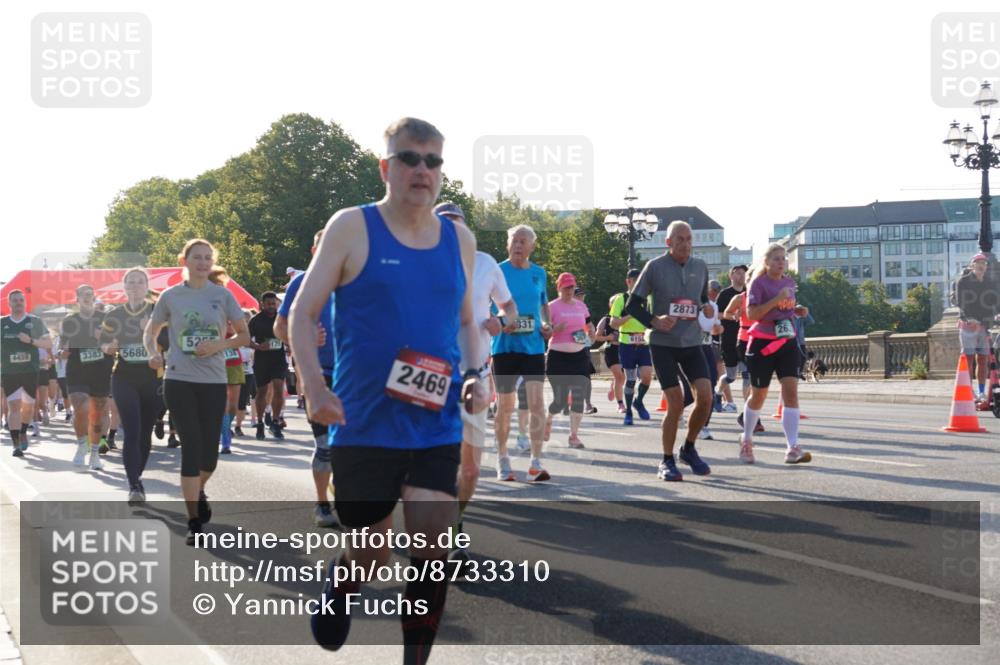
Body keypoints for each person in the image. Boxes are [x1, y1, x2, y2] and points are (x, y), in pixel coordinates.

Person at [290, 117, 488, 662]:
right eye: (409, 159)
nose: (422, 170)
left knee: (431, 548)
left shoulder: (459, 239)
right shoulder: (351, 227)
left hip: (435, 419)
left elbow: (469, 321)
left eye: (433, 161)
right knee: (372, 547)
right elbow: (304, 314)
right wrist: (313, 386)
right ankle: (343, 583)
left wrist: (475, 375)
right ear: (387, 167)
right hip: (364, 420)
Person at [145, 240, 250, 544]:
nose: (203, 262)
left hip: (214, 380)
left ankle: (199, 489)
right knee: (190, 448)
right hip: (178, 379)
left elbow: (244, 335)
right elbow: (150, 330)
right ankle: (193, 522)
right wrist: (153, 353)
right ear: (185, 260)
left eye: (208, 258)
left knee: (210, 457)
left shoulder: (222, 295)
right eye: (197, 257)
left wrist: (218, 344)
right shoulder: (171, 296)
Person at [433, 201, 516, 565]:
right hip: (428, 375)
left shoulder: (486, 265)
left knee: (469, 469)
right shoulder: (419, 261)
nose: (451, 231)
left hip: (477, 374)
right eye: (443, 224)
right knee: (433, 463)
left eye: (457, 224)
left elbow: (510, 309)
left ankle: (456, 526)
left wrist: (503, 319)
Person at [624, 220, 715, 481]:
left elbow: (702, 300)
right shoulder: (655, 267)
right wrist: (655, 321)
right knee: (675, 401)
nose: (685, 244)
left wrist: (706, 307)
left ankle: (688, 448)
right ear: (668, 242)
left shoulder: (700, 267)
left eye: (688, 239)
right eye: (680, 240)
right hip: (663, 344)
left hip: (692, 342)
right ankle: (666, 460)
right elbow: (633, 305)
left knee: (706, 399)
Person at [274, 228, 339, 528]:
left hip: (356, 375)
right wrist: (304, 336)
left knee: (354, 446)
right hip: (318, 373)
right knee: (325, 445)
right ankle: (322, 504)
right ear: (314, 251)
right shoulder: (302, 282)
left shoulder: (357, 278)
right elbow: (279, 327)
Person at [490, 224, 553, 482]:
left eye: (523, 241)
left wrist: (546, 324)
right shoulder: (497, 271)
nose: (518, 245)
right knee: (506, 407)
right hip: (505, 348)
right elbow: (482, 304)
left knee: (537, 404)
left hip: (534, 348)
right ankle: (502, 458)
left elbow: (543, 305)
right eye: (514, 240)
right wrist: (499, 321)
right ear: (508, 244)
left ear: (532, 246)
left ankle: (535, 462)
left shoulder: (539, 273)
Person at [740, 243, 812, 465]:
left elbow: (784, 309)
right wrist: (776, 299)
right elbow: (752, 314)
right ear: (766, 262)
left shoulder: (789, 283)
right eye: (776, 259)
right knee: (759, 395)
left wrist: (796, 311)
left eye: (783, 258)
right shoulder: (758, 284)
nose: (781, 262)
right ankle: (747, 439)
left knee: (791, 392)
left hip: (786, 342)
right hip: (762, 344)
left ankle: (792, 447)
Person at [100, 268, 162, 504]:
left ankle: (137, 477)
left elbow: (171, 341)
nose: (135, 286)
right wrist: (110, 346)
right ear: (124, 287)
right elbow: (103, 345)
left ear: (146, 286)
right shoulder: (114, 314)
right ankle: (134, 485)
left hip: (152, 377)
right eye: (131, 282)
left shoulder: (157, 310)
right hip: (124, 376)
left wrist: (152, 332)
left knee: (145, 434)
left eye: (139, 282)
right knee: (133, 431)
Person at [61, 284, 115, 470]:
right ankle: (81, 444)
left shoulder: (105, 319)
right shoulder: (70, 320)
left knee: (97, 415)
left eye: (90, 294)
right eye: (83, 294)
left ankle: (94, 453)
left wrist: (103, 339)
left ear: (94, 297)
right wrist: (63, 351)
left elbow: (115, 344)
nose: (87, 297)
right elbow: (63, 346)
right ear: (77, 298)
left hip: (100, 370)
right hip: (77, 370)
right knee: (81, 408)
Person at [543, 272, 595, 449]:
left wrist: (592, 332)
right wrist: (555, 328)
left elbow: (588, 324)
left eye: (572, 287)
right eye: (566, 287)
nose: (570, 290)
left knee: (578, 396)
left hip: (579, 355)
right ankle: (548, 420)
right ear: (559, 288)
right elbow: (544, 331)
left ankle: (573, 436)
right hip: (558, 356)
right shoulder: (551, 307)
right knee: (560, 400)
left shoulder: (581, 306)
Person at [2, 290, 52, 456]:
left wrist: (30, 341)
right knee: (13, 406)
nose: (18, 303)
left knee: (28, 408)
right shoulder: (2, 323)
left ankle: (23, 430)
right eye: (14, 300)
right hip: (9, 372)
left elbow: (48, 343)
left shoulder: (35, 321)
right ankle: (16, 443)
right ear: (9, 304)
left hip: (30, 371)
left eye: (20, 300)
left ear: (25, 302)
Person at [610, 268, 654, 425]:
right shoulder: (621, 299)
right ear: (628, 282)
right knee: (630, 379)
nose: (639, 284)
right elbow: (613, 323)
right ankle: (628, 412)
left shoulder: (647, 299)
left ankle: (638, 401)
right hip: (627, 343)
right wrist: (631, 314)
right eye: (636, 281)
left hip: (644, 342)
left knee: (647, 377)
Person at [955, 253, 996, 401]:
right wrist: (969, 318)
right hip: (969, 326)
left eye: (983, 263)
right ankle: (968, 390)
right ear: (972, 265)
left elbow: (994, 302)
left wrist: (997, 314)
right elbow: (961, 302)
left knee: (983, 359)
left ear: (986, 266)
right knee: (969, 358)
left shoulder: (989, 282)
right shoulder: (963, 281)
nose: (981, 265)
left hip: (984, 326)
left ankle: (981, 392)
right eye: (978, 263)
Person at [249, 292, 288, 440]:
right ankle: (260, 423)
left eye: (274, 303)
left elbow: (290, 334)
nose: (271, 306)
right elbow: (246, 339)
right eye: (269, 304)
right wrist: (257, 346)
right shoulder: (255, 320)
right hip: (262, 359)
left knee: (278, 387)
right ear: (262, 304)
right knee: (262, 392)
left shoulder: (281, 319)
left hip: (278, 359)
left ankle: (276, 422)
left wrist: (289, 343)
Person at [715, 265, 748, 411]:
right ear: (731, 276)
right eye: (738, 273)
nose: (741, 276)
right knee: (731, 376)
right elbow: (716, 314)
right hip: (729, 339)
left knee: (748, 375)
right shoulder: (725, 294)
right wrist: (732, 315)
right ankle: (717, 393)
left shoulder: (750, 293)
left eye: (744, 273)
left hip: (746, 339)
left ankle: (749, 411)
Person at [697, 280, 724, 440]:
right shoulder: (695, 302)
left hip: (706, 347)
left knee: (711, 384)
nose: (714, 293)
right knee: (688, 392)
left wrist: (719, 328)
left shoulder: (714, 307)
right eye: (712, 290)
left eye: (716, 291)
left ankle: (703, 425)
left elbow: (715, 328)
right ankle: (676, 413)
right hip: (691, 347)